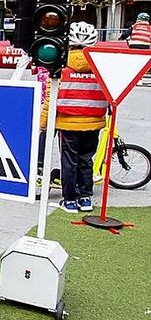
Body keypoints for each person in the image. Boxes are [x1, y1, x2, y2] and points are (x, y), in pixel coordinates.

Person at [44, 22, 105, 213]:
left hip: (68, 123)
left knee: (69, 162)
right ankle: (85, 198)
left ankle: (69, 200)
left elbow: (50, 97)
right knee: (86, 160)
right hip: (93, 124)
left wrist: (43, 124)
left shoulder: (60, 66)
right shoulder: (100, 67)